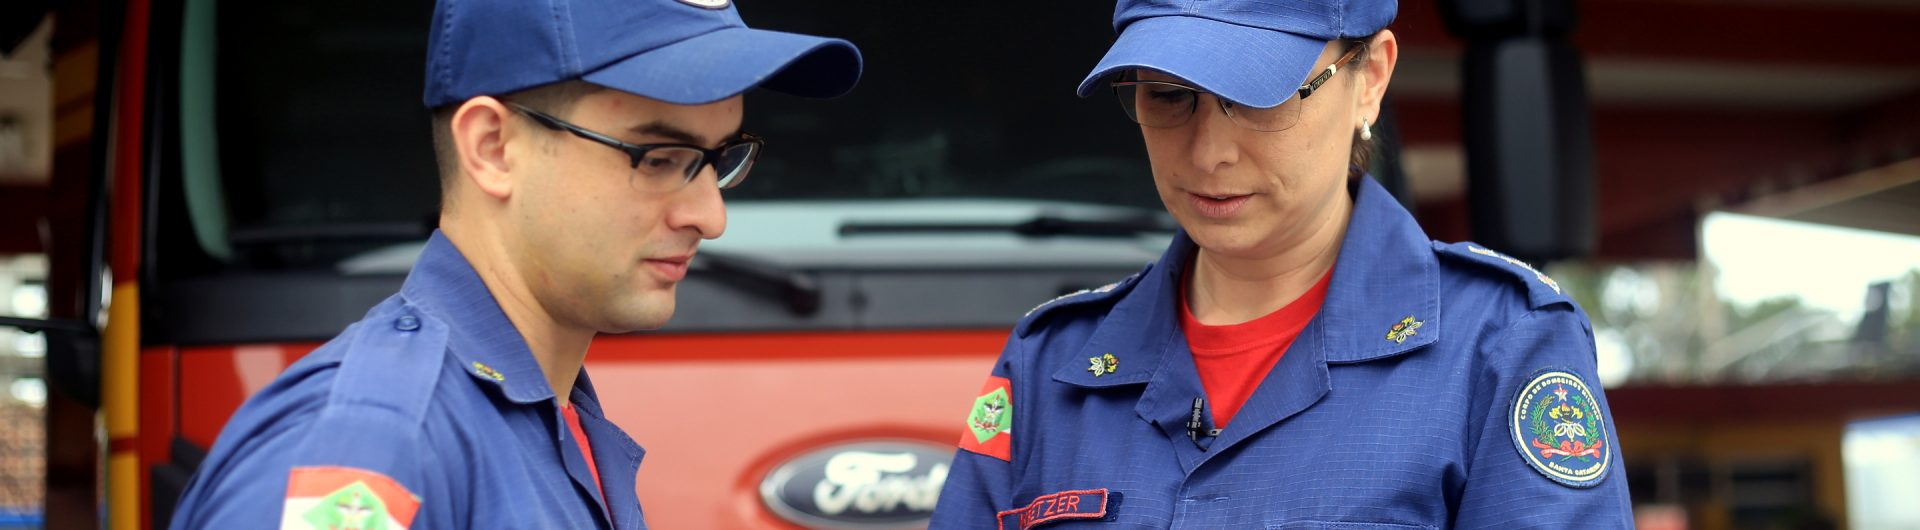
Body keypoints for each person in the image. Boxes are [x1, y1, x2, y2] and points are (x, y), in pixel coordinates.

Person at [929, 0, 1632, 527]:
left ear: (1370, 78)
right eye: (1168, 97)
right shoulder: (1052, 365)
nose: (1209, 153)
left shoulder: (1499, 348)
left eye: (1257, 98)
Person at [168, 0, 861, 528]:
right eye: (659, 158)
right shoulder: (374, 449)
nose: (710, 217)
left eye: (717, 160)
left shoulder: (539, 417)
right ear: (493, 147)